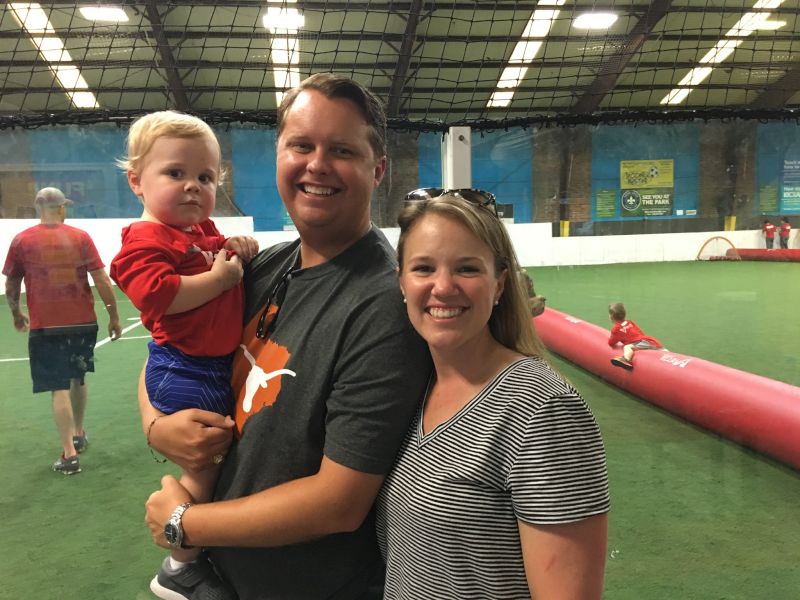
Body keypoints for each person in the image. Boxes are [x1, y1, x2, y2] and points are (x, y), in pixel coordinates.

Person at [141, 73, 431, 599]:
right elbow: (168, 350)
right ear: (278, 155)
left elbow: (339, 502)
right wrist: (157, 426)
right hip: (222, 577)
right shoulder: (255, 268)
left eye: (341, 150)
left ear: (377, 169)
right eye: (301, 145)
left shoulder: (385, 304)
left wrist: (185, 523)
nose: (317, 165)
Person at [375, 190, 609, 599]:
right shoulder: (412, 388)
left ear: (499, 284)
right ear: (401, 282)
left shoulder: (544, 410)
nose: (443, 287)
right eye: (424, 268)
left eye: (466, 268)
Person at [109, 111, 259, 599]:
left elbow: (220, 250)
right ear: (137, 181)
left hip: (206, 365)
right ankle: (181, 565)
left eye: (206, 177)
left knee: (216, 460)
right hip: (185, 368)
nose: (193, 186)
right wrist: (218, 279)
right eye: (175, 173)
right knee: (206, 463)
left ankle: (196, 543)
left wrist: (235, 245)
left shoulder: (198, 230)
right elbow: (156, 294)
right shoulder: (145, 239)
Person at [2, 187, 122, 475]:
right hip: (83, 323)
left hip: (46, 327)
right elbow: (102, 279)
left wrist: (16, 313)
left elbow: (11, 284)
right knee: (78, 377)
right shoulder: (81, 237)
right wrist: (114, 316)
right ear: (62, 208)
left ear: (38, 209)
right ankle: (79, 433)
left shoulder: (22, 240)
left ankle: (69, 454)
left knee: (59, 387)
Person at [607, 302, 664, 371]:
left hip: (642, 343)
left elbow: (611, 343)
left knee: (627, 347)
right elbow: (640, 332)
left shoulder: (616, 329)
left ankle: (626, 359)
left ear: (612, 316)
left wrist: (610, 336)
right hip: (649, 341)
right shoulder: (629, 322)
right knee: (664, 353)